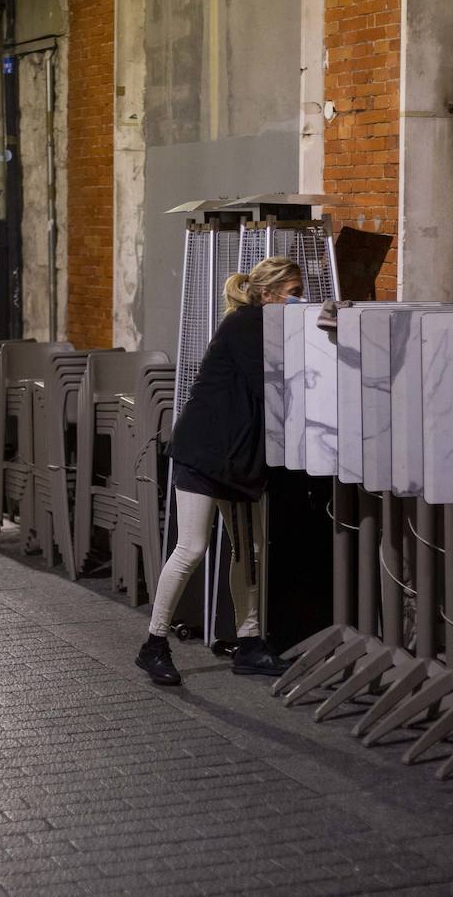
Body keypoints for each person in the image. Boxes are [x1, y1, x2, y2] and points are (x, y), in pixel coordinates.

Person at [136, 256, 304, 686]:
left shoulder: (267, 327)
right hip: (205, 451)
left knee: (248, 551)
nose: (300, 302)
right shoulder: (247, 326)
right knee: (191, 548)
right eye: (294, 295)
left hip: (238, 457)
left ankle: (249, 644)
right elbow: (274, 386)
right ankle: (153, 644)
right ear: (268, 295)